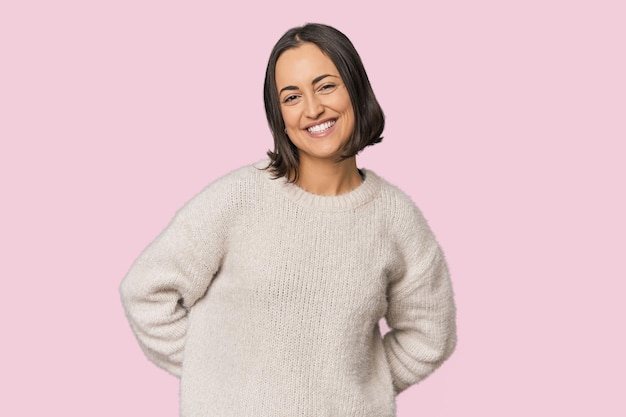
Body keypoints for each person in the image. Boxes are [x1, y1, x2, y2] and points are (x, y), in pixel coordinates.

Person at [120, 23, 457, 416]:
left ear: (356, 89)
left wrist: (358, 390)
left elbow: (431, 334)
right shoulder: (239, 199)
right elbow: (146, 292)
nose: (313, 109)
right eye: (292, 96)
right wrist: (215, 376)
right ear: (279, 114)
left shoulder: (396, 219)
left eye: (326, 86)